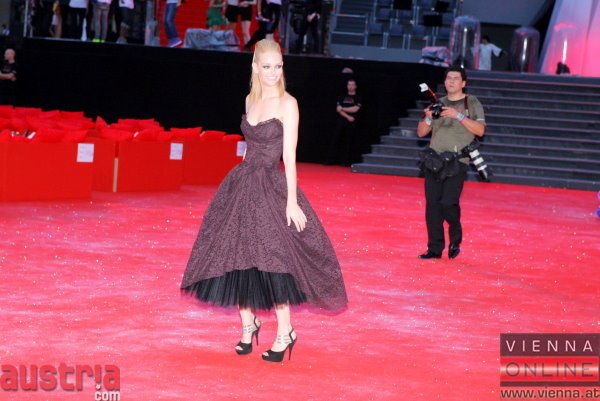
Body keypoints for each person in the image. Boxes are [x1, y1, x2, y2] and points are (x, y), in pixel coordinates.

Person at [181, 39, 347, 363]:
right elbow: (249, 148)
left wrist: (291, 201)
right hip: (242, 183)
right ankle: (249, 324)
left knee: (273, 257)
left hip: (271, 185)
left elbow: (290, 157)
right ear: (255, 67)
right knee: (234, 253)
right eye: (267, 66)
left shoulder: (288, 103)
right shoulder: (250, 99)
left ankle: (285, 331)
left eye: (278, 66)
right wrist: (236, 186)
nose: (273, 73)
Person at [416, 67, 486, 259]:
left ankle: (455, 237)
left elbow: (480, 130)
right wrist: (428, 118)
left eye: (456, 78)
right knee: (432, 206)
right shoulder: (437, 103)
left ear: (463, 83)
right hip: (434, 160)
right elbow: (421, 133)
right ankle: (435, 248)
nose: (451, 81)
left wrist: (459, 116)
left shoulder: (471, 102)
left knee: (448, 203)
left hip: (457, 161)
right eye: (448, 78)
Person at [325, 78, 361, 166]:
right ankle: (330, 160)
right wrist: (348, 116)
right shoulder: (342, 96)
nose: (350, 86)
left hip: (351, 123)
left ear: (355, 86)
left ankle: (345, 162)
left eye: (352, 85)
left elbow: (355, 109)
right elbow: (338, 109)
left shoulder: (358, 97)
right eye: (349, 84)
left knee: (348, 142)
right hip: (341, 121)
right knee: (335, 140)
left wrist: (343, 108)